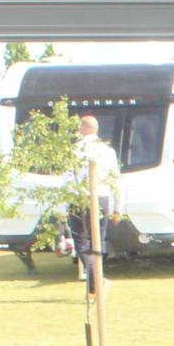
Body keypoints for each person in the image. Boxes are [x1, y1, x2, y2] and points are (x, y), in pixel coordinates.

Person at [67, 113, 124, 295]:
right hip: (102, 198)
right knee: (97, 242)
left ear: (83, 128)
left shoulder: (74, 150)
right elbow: (116, 179)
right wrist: (118, 207)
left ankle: (96, 282)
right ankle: (96, 283)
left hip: (79, 198)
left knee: (82, 243)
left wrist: (64, 205)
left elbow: (68, 179)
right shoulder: (108, 151)